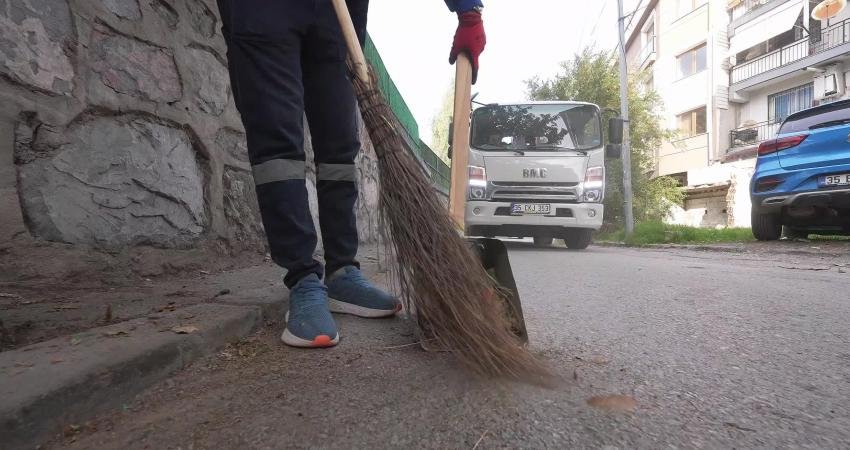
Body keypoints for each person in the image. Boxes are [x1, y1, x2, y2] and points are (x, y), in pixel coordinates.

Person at [215, 0, 487, 348]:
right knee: (277, 143)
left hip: (338, 12)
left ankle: (342, 271)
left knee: (340, 145)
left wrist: (467, 9)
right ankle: (303, 279)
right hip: (263, 10)